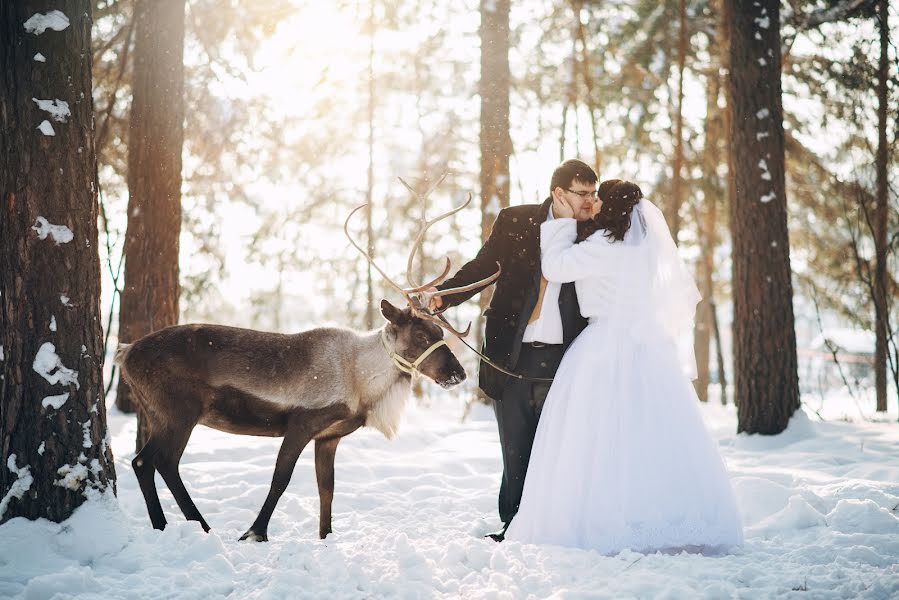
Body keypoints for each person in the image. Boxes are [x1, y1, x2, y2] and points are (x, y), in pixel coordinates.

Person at [504, 179, 744, 554]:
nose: (593, 201)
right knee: (648, 437)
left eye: (598, 197)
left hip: (602, 347)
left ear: (611, 206)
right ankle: (661, 517)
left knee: (597, 438)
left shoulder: (602, 247)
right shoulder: (646, 249)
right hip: (648, 349)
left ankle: (600, 517)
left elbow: (554, 266)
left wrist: (562, 223)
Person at [430, 159, 598, 541]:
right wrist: (444, 297)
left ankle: (555, 525)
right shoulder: (516, 221)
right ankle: (514, 526)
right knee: (516, 447)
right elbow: (482, 268)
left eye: (594, 193)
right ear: (559, 193)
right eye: (582, 193)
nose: (590, 201)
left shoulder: (594, 232)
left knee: (557, 448)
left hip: (566, 358)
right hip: (511, 354)